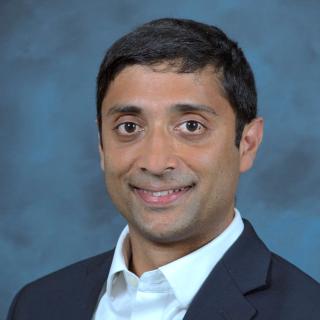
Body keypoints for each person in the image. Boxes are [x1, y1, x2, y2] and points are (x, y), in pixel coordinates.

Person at [7, 18, 320, 320]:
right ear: (102, 145)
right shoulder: (36, 305)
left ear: (247, 144)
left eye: (191, 126)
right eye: (129, 127)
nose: (155, 162)